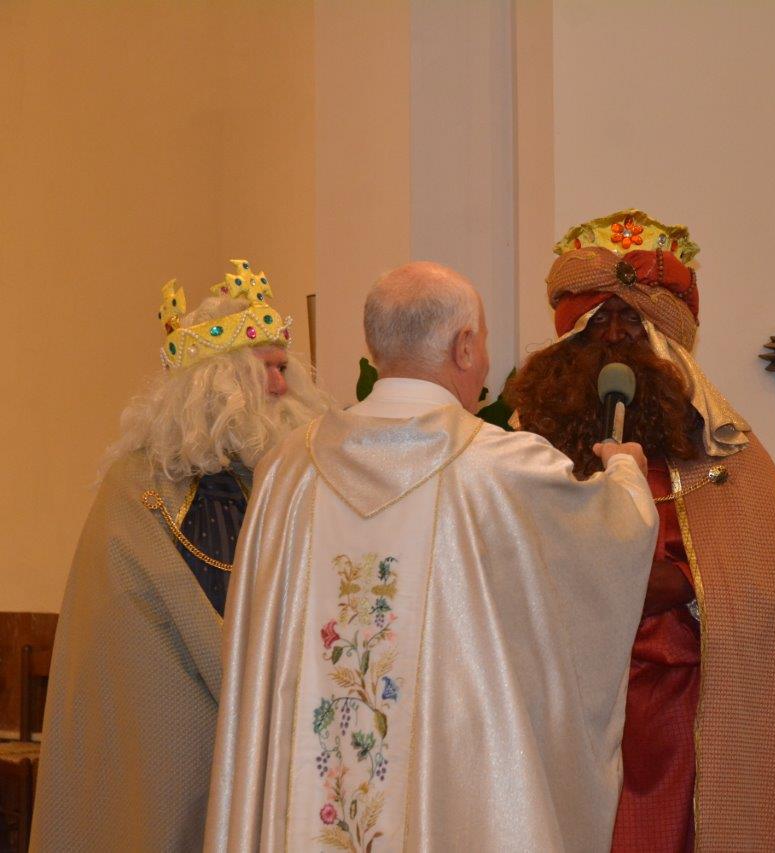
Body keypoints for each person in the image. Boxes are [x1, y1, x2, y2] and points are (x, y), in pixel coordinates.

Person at [203, 262, 659, 852]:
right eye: (483, 341)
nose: (485, 361)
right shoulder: (501, 468)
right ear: (464, 347)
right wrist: (625, 472)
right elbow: (611, 537)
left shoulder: (287, 470)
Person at [506, 210, 775, 851]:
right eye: (598, 321)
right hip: (564, 703)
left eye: (632, 321)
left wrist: (694, 583)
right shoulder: (525, 448)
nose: (616, 336)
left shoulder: (719, 449)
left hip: (687, 711)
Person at [32, 261, 328, 852]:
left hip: (239, 727)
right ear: (219, 382)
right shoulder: (145, 485)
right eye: (269, 370)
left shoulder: (260, 480)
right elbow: (181, 609)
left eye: (284, 369)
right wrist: (272, 692)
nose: (281, 387)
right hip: (170, 728)